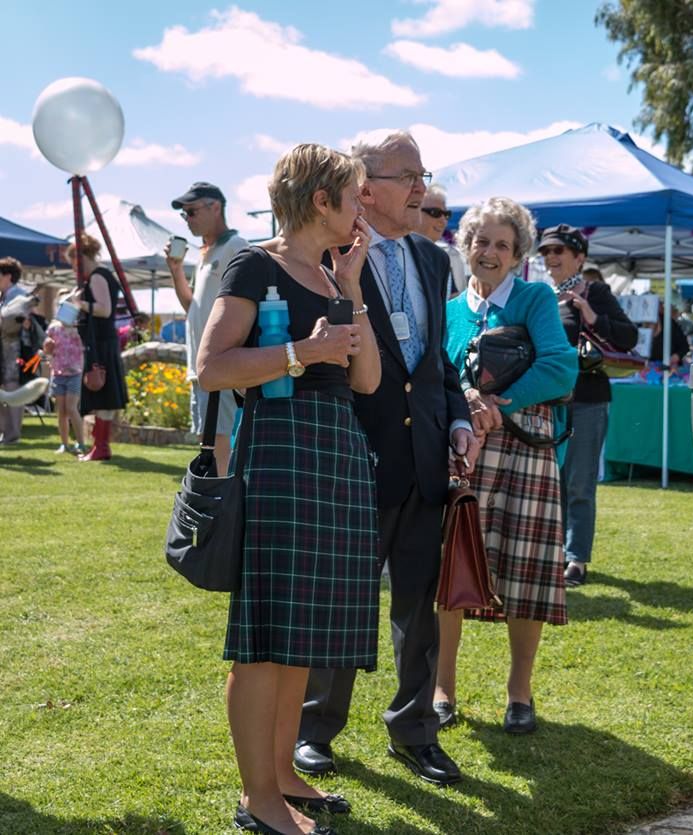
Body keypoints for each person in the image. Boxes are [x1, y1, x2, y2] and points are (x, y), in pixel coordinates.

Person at [197, 143, 380, 835]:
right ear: (321, 200)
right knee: (266, 634)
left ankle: (279, 773)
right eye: (354, 194)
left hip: (333, 452)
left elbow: (366, 382)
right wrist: (303, 351)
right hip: (278, 453)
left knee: (300, 631)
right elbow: (212, 368)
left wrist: (354, 289)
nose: (362, 206)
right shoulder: (254, 264)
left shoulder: (335, 278)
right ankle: (257, 798)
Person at [295, 132, 478, 787]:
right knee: (344, 601)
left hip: (427, 459)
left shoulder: (435, 260)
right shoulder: (326, 257)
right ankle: (314, 729)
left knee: (420, 609)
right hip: (357, 461)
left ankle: (414, 730)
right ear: (364, 186)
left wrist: (457, 418)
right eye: (409, 175)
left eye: (423, 173)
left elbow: (435, 364)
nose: (422, 186)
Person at [435, 198, 579, 734]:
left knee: (526, 570)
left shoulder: (535, 297)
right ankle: (442, 687)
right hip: (461, 451)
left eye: (502, 244)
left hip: (524, 448)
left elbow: (561, 370)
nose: (489, 252)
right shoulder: (449, 310)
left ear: (518, 254)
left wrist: (500, 404)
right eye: (480, 241)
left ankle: (520, 691)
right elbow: (437, 378)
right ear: (465, 246)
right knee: (450, 568)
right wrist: (468, 404)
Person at [539, 224, 638, 588]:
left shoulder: (594, 291)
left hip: (588, 401)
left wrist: (591, 315)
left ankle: (576, 559)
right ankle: (553, 551)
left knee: (579, 483)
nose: (551, 258)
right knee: (551, 482)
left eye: (559, 251)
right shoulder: (541, 295)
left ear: (579, 258)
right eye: (546, 251)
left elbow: (629, 337)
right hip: (549, 402)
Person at [166, 181, 248, 475]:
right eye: (184, 214)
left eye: (191, 211)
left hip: (220, 362)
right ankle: (217, 502)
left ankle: (221, 506)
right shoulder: (208, 252)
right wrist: (176, 271)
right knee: (209, 440)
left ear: (216, 207)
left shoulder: (236, 247)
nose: (188, 219)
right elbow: (194, 309)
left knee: (218, 441)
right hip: (204, 366)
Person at [67, 234, 128, 461]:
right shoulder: (101, 275)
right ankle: (101, 446)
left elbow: (104, 309)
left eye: (74, 260)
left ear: (81, 256)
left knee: (102, 393)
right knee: (104, 394)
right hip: (103, 340)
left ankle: (100, 447)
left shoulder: (97, 276)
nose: (74, 266)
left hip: (101, 342)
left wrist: (78, 303)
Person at [43, 293, 86, 454]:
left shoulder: (79, 329)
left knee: (71, 408)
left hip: (74, 372)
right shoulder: (53, 329)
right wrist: (48, 347)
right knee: (61, 410)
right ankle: (64, 444)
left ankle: (81, 443)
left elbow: (83, 349)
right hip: (58, 372)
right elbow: (47, 350)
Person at [419, 185, 467, 298]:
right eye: (435, 213)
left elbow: (452, 300)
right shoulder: (394, 253)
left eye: (446, 214)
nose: (443, 221)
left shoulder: (440, 258)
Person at [0, 257, 29, 444]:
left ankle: (13, 434)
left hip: (14, 350)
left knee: (12, 389)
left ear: (8, 276)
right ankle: (6, 433)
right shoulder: (4, 296)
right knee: (4, 390)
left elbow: (20, 321)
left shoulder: (18, 295)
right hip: (4, 349)